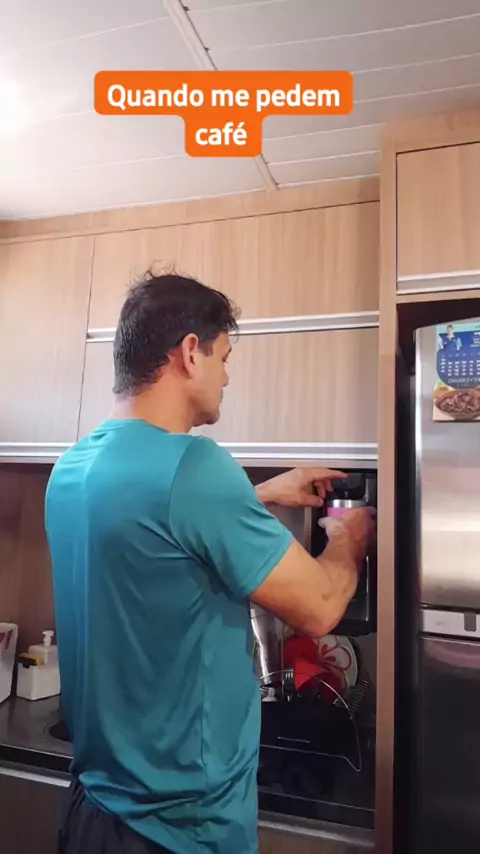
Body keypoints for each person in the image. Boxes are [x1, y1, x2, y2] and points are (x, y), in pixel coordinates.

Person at [45, 271, 375, 854]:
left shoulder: (72, 469)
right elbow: (321, 607)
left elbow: (156, 529)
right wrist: (349, 537)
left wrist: (260, 493)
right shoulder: (196, 467)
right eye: (223, 358)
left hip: (95, 810)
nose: (226, 376)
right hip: (181, 827)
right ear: (190, 352)